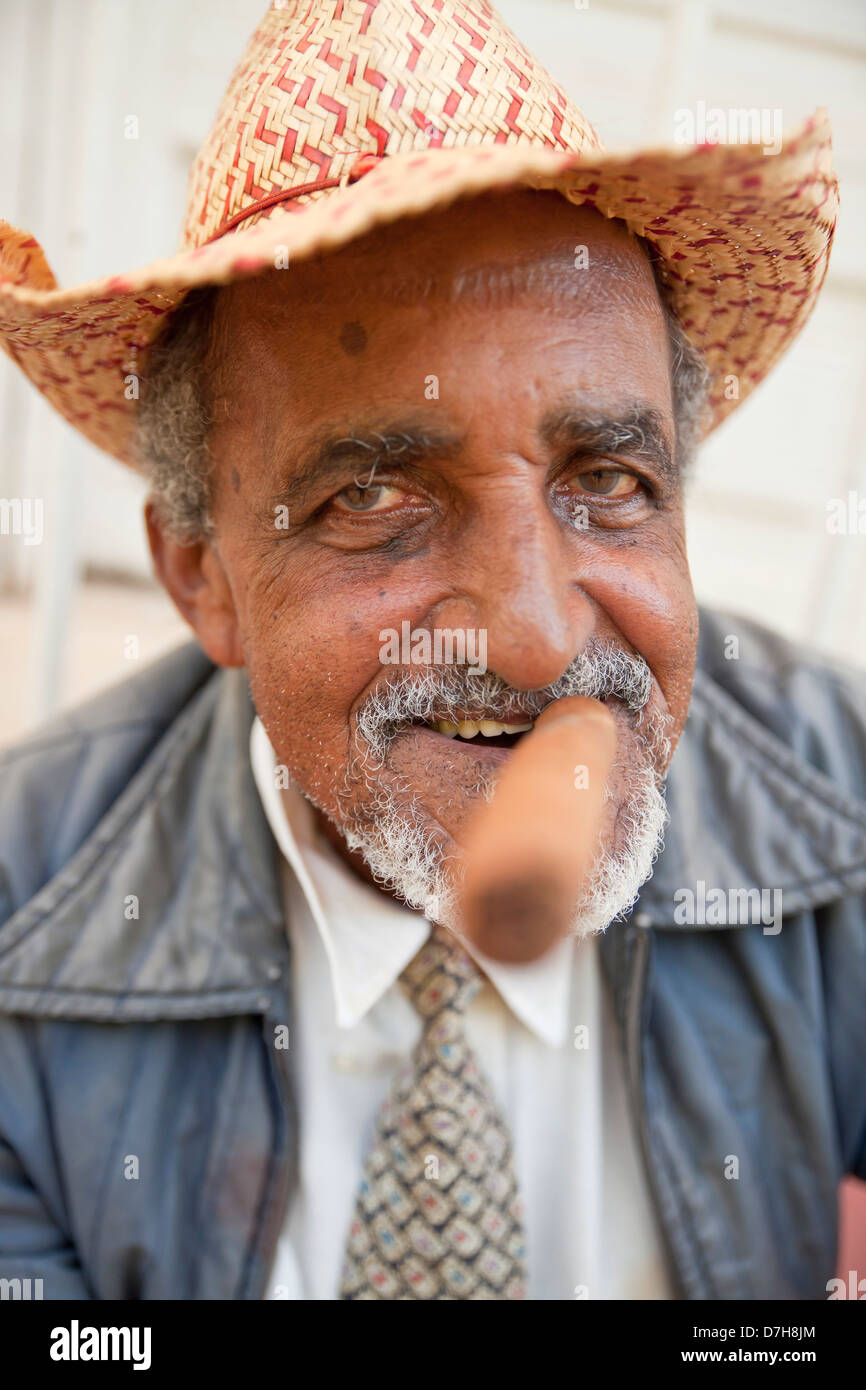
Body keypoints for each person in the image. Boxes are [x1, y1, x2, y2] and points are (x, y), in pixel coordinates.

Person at [0, 0, 861, 1301]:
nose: (533, 639)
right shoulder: (19, 927)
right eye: (372, 498)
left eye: (609, 478)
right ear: (200, 572)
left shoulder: (845, 805)